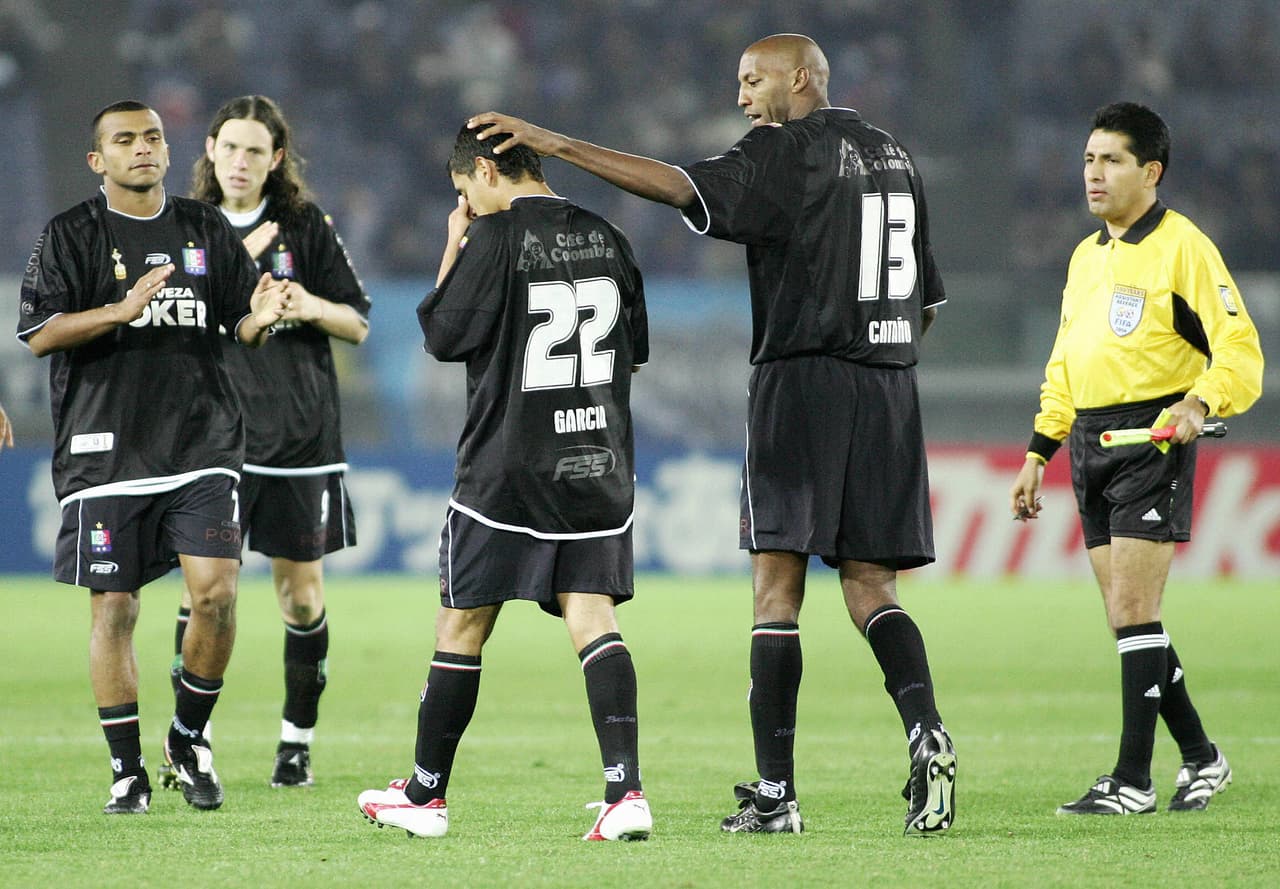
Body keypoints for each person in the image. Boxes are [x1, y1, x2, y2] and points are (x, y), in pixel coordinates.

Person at [469, 32, 957, 837]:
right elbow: (927, 301)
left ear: (799, 78)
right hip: (891, 388)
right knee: (873, 587)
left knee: (777, 592)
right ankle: (926, 730)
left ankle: (777, 793)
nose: (740, 97)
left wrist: (556, 143)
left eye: (751, 80)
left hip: (802, 383)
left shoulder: (784, 150)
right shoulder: (893, 152)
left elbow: (676, 186)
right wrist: (879, 363)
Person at [356, 123, 652, 841]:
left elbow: (442, 336)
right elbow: (632, 354)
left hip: (508, 467)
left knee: (461, 623)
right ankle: (626, 793)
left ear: (487, 170)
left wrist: (456, 241)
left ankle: (426, 795)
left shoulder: (493, 237)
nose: (466, 205)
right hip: (597, 464)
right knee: (593, 619)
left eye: (465, 192)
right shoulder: (609, 235)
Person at [16, 100, 288, 815]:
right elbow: (40, 332)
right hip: (106, 450)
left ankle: (188, 737)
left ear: (169, 151)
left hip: (203, 442)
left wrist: (258, 321)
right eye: (125, 139)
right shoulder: (71, 234)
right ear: (97, 159)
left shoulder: (203, 228)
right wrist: (117, 310)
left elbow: (239, 321)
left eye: (153, 137)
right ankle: (125, 771)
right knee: (116, 608)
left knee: (218, 592)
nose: (143, 148)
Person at [1009, 102, 1263, 815]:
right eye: (1089, 158)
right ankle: (1203, 757)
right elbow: (1065, 362)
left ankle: (1132, 779)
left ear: (1151, 172)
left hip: (1152, 438)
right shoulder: (1086, 256)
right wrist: (1038, 449)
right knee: (1131, 620)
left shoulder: (1184, 246)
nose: (1094, 172)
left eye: (1111, 159)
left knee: (1132, 607)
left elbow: (1240, 350)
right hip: (1090, 441)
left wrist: (1199, 404)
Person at [156, 95, 371, 791]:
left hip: (300, 436)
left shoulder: (304, 227)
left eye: (256, 151)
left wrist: (307, 304)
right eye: (230, 148)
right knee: (204, 595)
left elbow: (358, 322)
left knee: (300, 598)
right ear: (210, 151)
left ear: (276, 159)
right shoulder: (186, 228)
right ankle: (197, 743)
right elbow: (166, 320)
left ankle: (296, 743)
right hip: (211, 437)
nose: (241, 162)